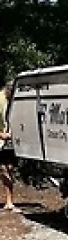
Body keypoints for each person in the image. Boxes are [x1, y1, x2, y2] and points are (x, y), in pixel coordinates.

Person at [0, 81, 17, 212]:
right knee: (4, 170)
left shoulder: (13, 101)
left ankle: (9, 202)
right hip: (1, 139)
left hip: (9, 141)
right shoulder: (0, 100)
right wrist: (1, 135)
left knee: (9, 169)